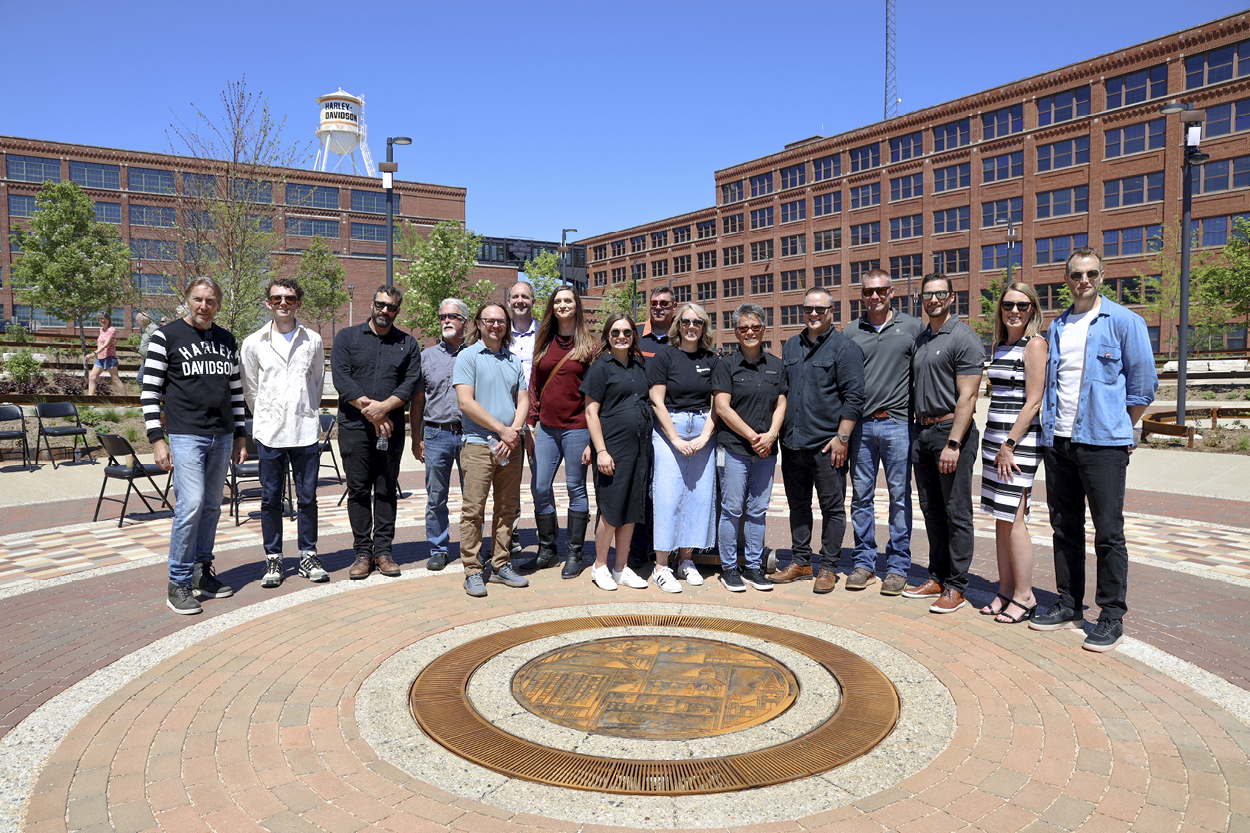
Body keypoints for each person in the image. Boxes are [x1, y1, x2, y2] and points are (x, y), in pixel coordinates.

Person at [1031, 247, 1158, 652]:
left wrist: (1119, 426)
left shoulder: (1124, 321)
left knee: (1108, 532)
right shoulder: (1058, 326)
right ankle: (1069, 603)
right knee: (1064, 528)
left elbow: (1143, 386)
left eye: (1090, 274)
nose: (1082, 281)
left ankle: (1111, 615)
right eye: (1075, 275)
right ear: (1065, 280)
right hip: (1060, 442)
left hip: (1103, 444)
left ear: (1102, 275)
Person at [142, 277, 246, 615]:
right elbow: (150, 391)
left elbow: (236, 392)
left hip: (223, 434)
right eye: (198, 299)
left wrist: (240, 435)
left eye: (211, 300)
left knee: (213, 506)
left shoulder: (227, 340)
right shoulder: (166, 336)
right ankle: (178, 582)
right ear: (187, 300)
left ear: (219, 304)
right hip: (186, 434)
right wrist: (157, 439)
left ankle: (202, 571)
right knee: (191, 505)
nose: (204, 306)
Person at [771, 287, 865, 593]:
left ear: (831, 312)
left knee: (832, 508)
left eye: (820, 310)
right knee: (798, 506)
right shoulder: (791, 347)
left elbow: (854, 397)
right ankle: (801, 561)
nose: (813, 314)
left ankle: (828, 567)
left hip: (827, 445)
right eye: (808, 309)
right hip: (793, 443)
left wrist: (842, 438)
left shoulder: (845, 348)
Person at [903, 274, 984, 614]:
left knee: (956, 511)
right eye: (927, 295)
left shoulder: (963, 337)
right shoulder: (923, 338)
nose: (933, 300)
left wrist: (954, 442)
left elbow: (969, 395)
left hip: (951, 432)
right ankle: (937, 575)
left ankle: (956, 585)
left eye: (939, 294)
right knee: (931, 509)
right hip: (923, 433)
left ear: (952, 296)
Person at [841, 269, 924, 595]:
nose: (874, 296)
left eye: (880, 291)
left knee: (900, 498)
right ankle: (864, 562)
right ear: (862, 295)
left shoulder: (912, 328)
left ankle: (898, 565)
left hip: (898, 424)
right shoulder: (851, 331)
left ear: (891, 293)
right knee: (861, 498)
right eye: (868, 292)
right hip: (861, 426)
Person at [240, 277, 327, 589]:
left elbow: (316, 384)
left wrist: (302, 408)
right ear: (268, 303)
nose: (283, 304)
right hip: (270, 433)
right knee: (270, 499)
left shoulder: (313, 341)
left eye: (289, 298)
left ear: (298, 303)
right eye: (277, 298)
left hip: (304, 431)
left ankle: (307, 555)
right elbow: (251, 390)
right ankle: (273, 558)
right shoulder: (253, 343)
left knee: (308, 498)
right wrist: (270, 412)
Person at [330, 285, 421, 580]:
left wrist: (385, 408)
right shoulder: (347, 337)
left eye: (391, 308)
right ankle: (362, 553)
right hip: (355, 427)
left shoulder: (408, 343)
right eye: (381, 305)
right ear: (372, 303)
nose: (385, 311)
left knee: (385, 489)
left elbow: (409, 384)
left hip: (390, 430)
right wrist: (372, 412)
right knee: (357, 490)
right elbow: (342, 378)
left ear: (397, 310)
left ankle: (383, 552)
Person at [978, 283, 1046, 623]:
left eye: (1022, 305)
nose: (1014, 311)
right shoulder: (1001, 345)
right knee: (1001, 520)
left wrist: (1010, 444)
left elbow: (1034, 401)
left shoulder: (1034, 345)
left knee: (1015, 521)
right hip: (995, 441)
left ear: (1032, 309)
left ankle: (1025, 595)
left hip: (1016, 446)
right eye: (1008, 305)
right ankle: (1005, 590)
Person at [454, 302, 530, 598]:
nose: (496, 325)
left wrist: (514, 433)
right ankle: (473, 570)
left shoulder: (512, 360)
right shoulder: (468, 356)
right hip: (478, 445)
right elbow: (466, 402)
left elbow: (522, 399)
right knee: (473, 510)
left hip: (510, 446)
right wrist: (502, 430)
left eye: (500, 321)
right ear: (479, 323)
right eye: (489, 320)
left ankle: (500, 564)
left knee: (507, 508)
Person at [711, 303, 786, 592]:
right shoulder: (726, 365)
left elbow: (781, 403)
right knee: (731, 510)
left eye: (755, 327)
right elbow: (722, 407)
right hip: (734, 449)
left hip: (767, 450)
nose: (750, 332)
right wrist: (755, 437)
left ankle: (754, 567)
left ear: (764, 329)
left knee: (758, 510)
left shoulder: (776, 365)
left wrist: (771, 435)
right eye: (744, 328)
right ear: (736, 332)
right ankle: (729, 568)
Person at [647, 302, 720, 593]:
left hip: (703, 427)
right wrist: (675, 438)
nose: (692, 327)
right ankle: (661, 566)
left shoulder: (712, 359)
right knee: (667, 494)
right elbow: (657, 400)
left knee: (699, 495)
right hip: (670, 428)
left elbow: (718, 402)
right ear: (678, 325)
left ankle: (686, 559)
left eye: (698, 322)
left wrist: (705, 436)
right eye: (687, 321)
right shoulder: (666, 356)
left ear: (704, 327)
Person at [526, 286, 597, 578]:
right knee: (540, 488)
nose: (562, 305)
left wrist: (594, 440)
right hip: (547, 428)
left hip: (577, 428)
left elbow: (596, 395)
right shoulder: (544, 341)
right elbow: (534, 384)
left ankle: (575, 553)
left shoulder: (590, 346)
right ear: (552, 307)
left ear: (576, 306)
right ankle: (547, 549)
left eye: (568, 300)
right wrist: (531, 421)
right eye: (557, 301)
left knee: (575, 488)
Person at [581, 314, 653, 591]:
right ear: (607, 337)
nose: (621, 336)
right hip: (613, 449)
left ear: (633, 336)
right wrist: (600, 450)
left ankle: (621, 568)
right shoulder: (600, 368)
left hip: (639, 450)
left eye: (626, 332)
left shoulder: (638, 366)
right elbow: (591, 412)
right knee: (611, 510)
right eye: (615, 332)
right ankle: (600, 566)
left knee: (631, 509)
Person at [410, 298, 469, 572]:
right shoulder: (426, 357)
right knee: (436, 497)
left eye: (453, 316)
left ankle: (472, 547)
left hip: (471, 435)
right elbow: (418, 401)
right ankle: (438, 547)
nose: (446, 320)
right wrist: (416, 438)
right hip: (436, 434)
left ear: (464, 322)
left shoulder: (477, 354)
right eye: (443, 316)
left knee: (474, 495)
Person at [507, 281, 539, 558]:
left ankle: (546, 534)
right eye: (515, 296)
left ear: (533, 301)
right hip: (506, 415)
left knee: (541, 478)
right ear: (509, 301)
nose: (520, 301)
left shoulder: (544, 333)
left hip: (538, 417)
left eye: (525, 296)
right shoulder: (498, 331)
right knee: (509, 479)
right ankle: (511, 533)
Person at [88, 312, 126, 396]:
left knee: (115, 379)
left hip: (109, 357)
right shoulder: (101, 330)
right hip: (100, 357)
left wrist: (93, 354)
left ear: (109, 320)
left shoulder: (112, 330)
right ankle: (89, 401)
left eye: (104, 318)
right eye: (101, 319)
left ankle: (127, 401)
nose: (102, 320)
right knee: (92, 378)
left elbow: (106, 345)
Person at [637, 286, 675, 358]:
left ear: (674, 306)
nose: (658, 307)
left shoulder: (682, 335)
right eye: (654, 303)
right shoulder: (634, 332)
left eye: (664, 303)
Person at [135, 311, 157, 384]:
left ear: (142, 320)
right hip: (147, 359)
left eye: (136, 320)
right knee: (141, 379)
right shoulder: (147, 328)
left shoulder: (153, 328)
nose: (136, 323)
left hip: (152, 359)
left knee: (141, 379)